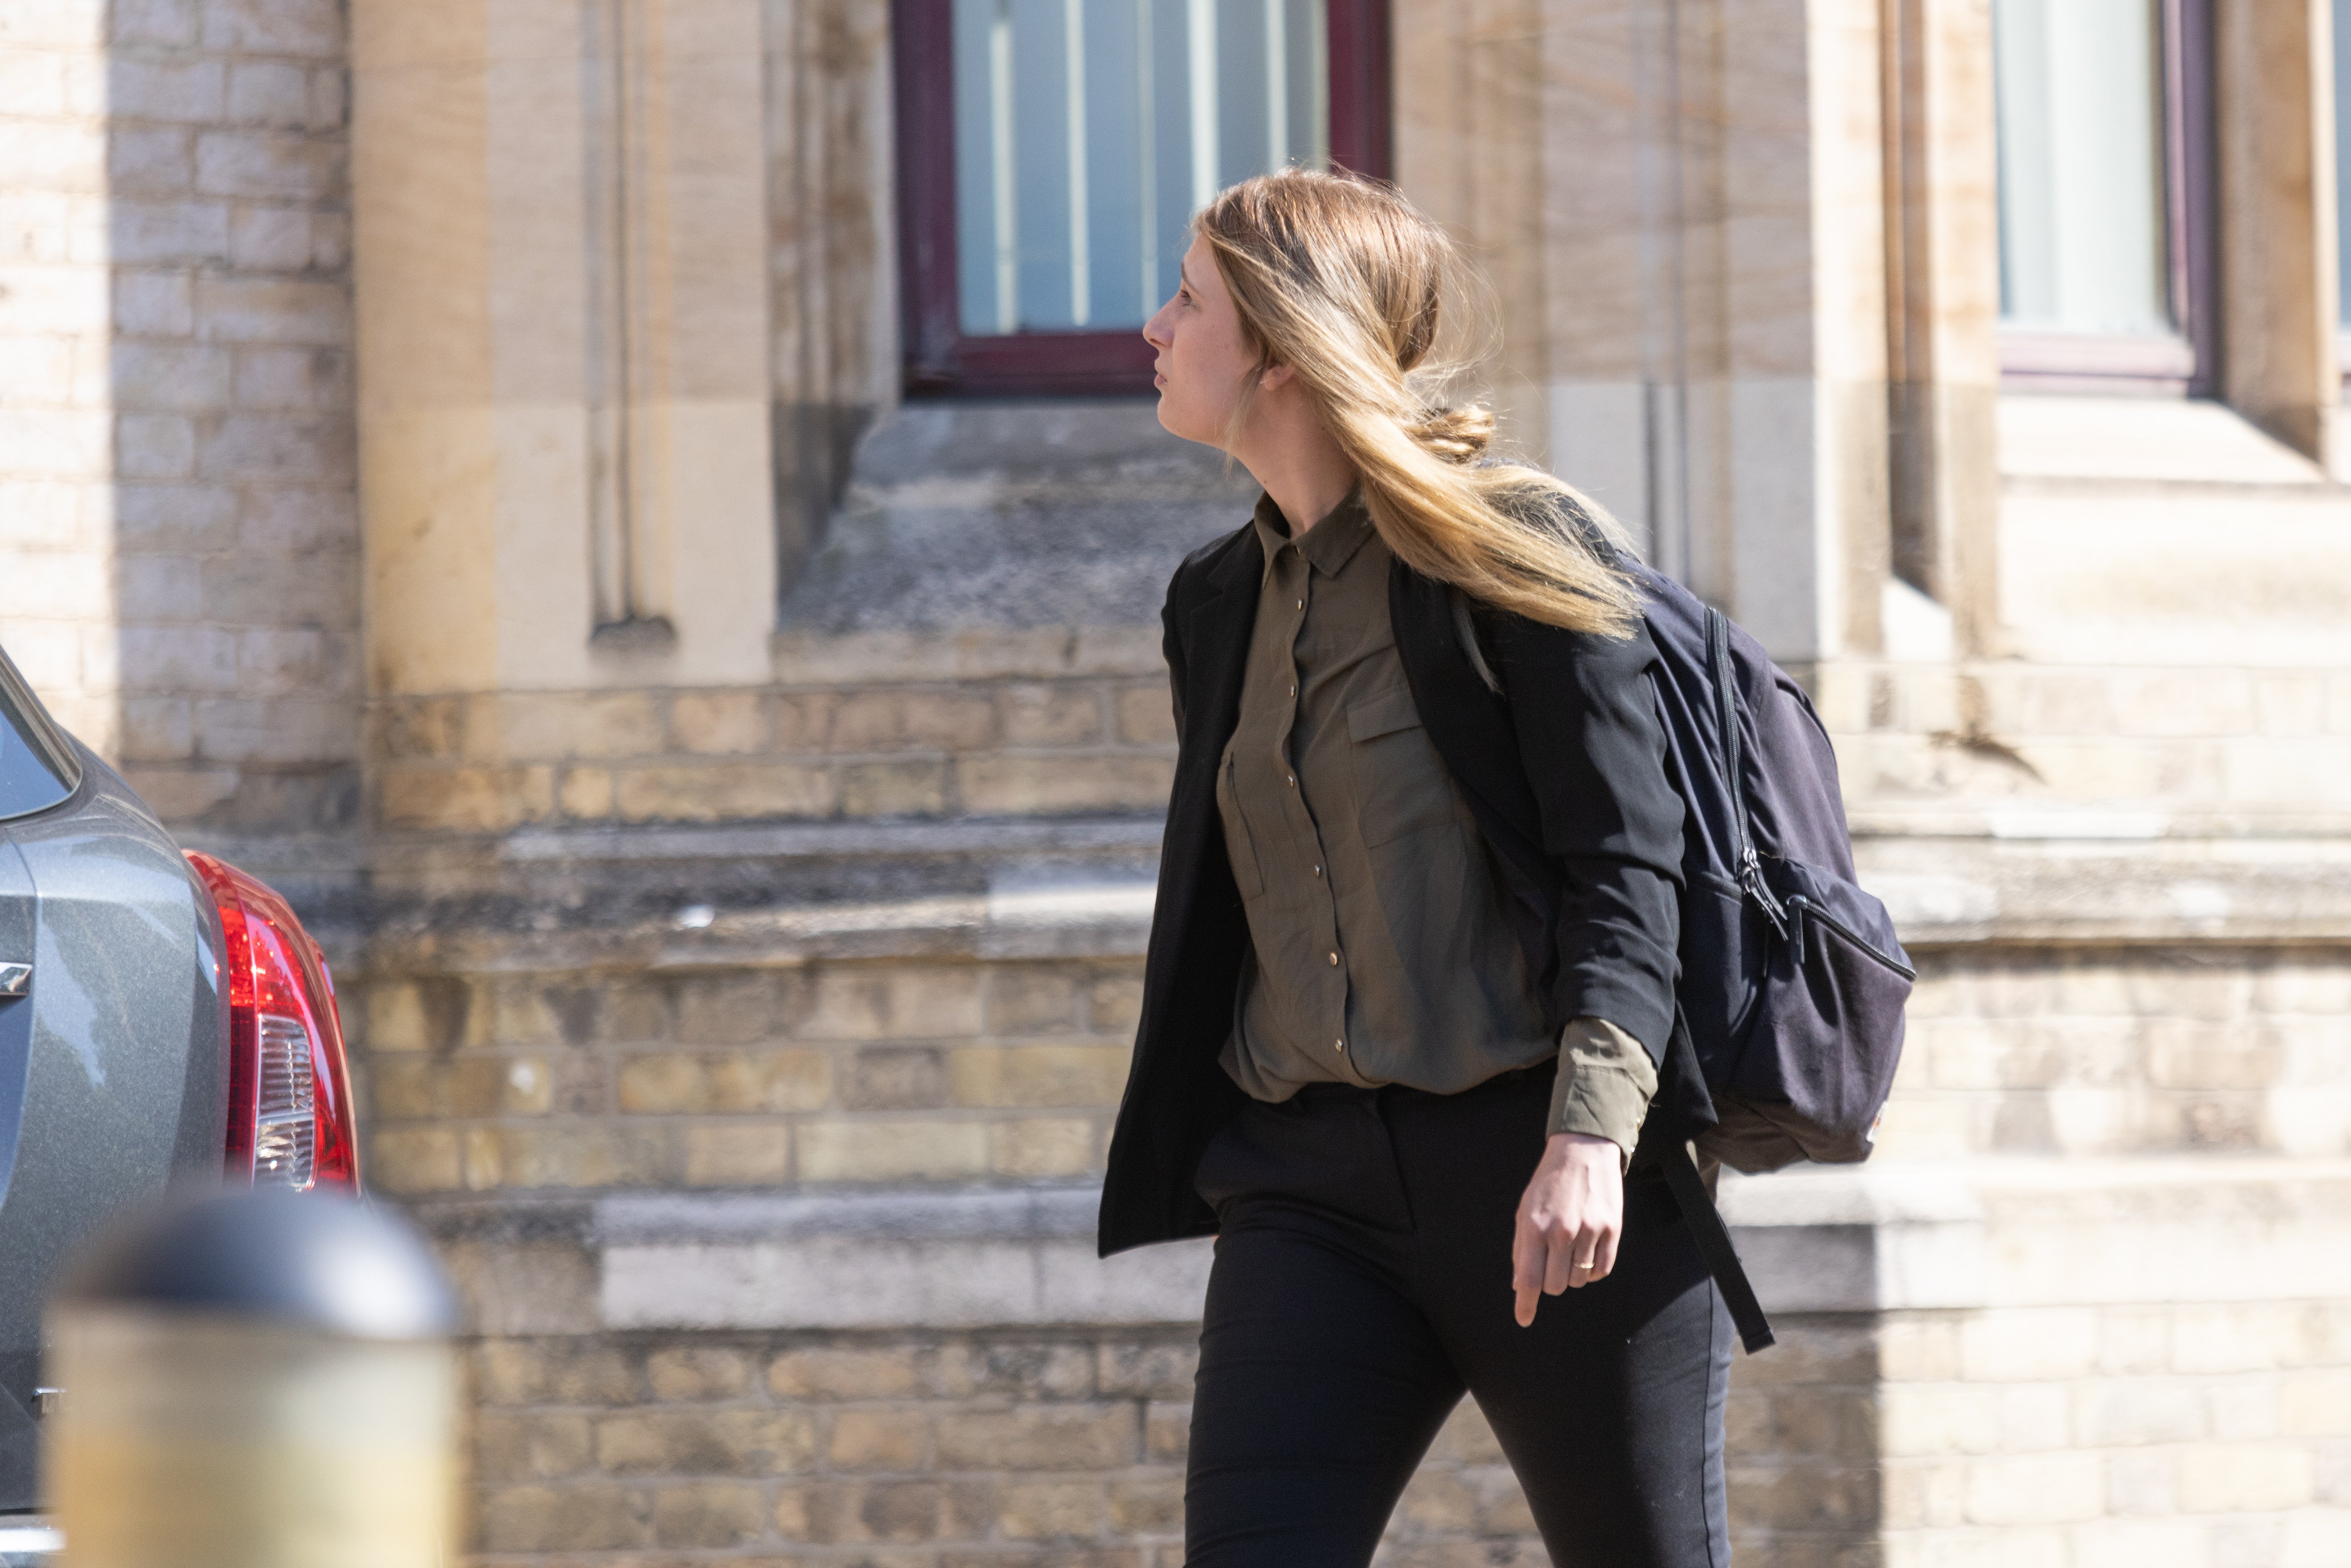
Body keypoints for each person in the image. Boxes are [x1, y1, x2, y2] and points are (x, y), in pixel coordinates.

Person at [1096, 168, 1730, 1567]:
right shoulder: (1214, 602)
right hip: (1305, 1190)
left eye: (1188, 299)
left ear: (1278, 344)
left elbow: (1629, 863)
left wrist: (1589, 1137)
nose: (1152, 326)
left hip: (1544, 1176)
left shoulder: (1512, 552)